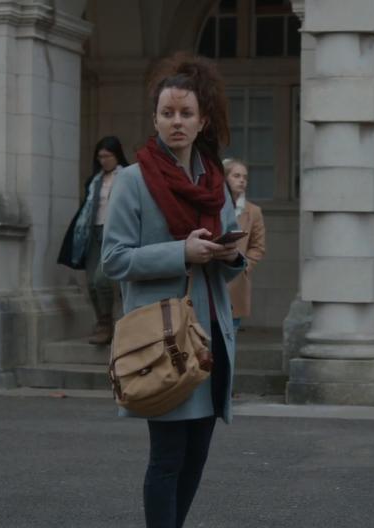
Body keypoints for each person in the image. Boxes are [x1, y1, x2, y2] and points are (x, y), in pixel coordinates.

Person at [100, 54, 245, 528]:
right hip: (163, 338)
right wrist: (180, 252)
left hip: (211, 336)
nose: (176, 122)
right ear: (155, 119)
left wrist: (229, 256)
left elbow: (224, 260)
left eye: (185, 114)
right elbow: (115, 259)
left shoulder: (214, 181)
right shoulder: (132, 180)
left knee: (196, 457)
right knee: (166, 459)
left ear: (203, 119)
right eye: (167, 113)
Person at [57, 136, 129, 344]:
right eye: (100, 157)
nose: (103, 160)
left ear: (117, 156)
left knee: (101, 279)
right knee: (90, 283)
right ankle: (102, 322)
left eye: (107, 156)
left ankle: (109, 322)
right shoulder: (94, 180)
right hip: (92, 233)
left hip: (114, 232)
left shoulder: (128, 176)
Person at [222, 158, 266, 330]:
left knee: (229, 335)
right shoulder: (212, 206)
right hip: (210, 279)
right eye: (236, 176)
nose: (242, 180)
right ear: (225, 178)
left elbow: (258, 246)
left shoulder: (253, 212)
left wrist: (244, 266)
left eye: (245, 177)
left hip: (236, 283)